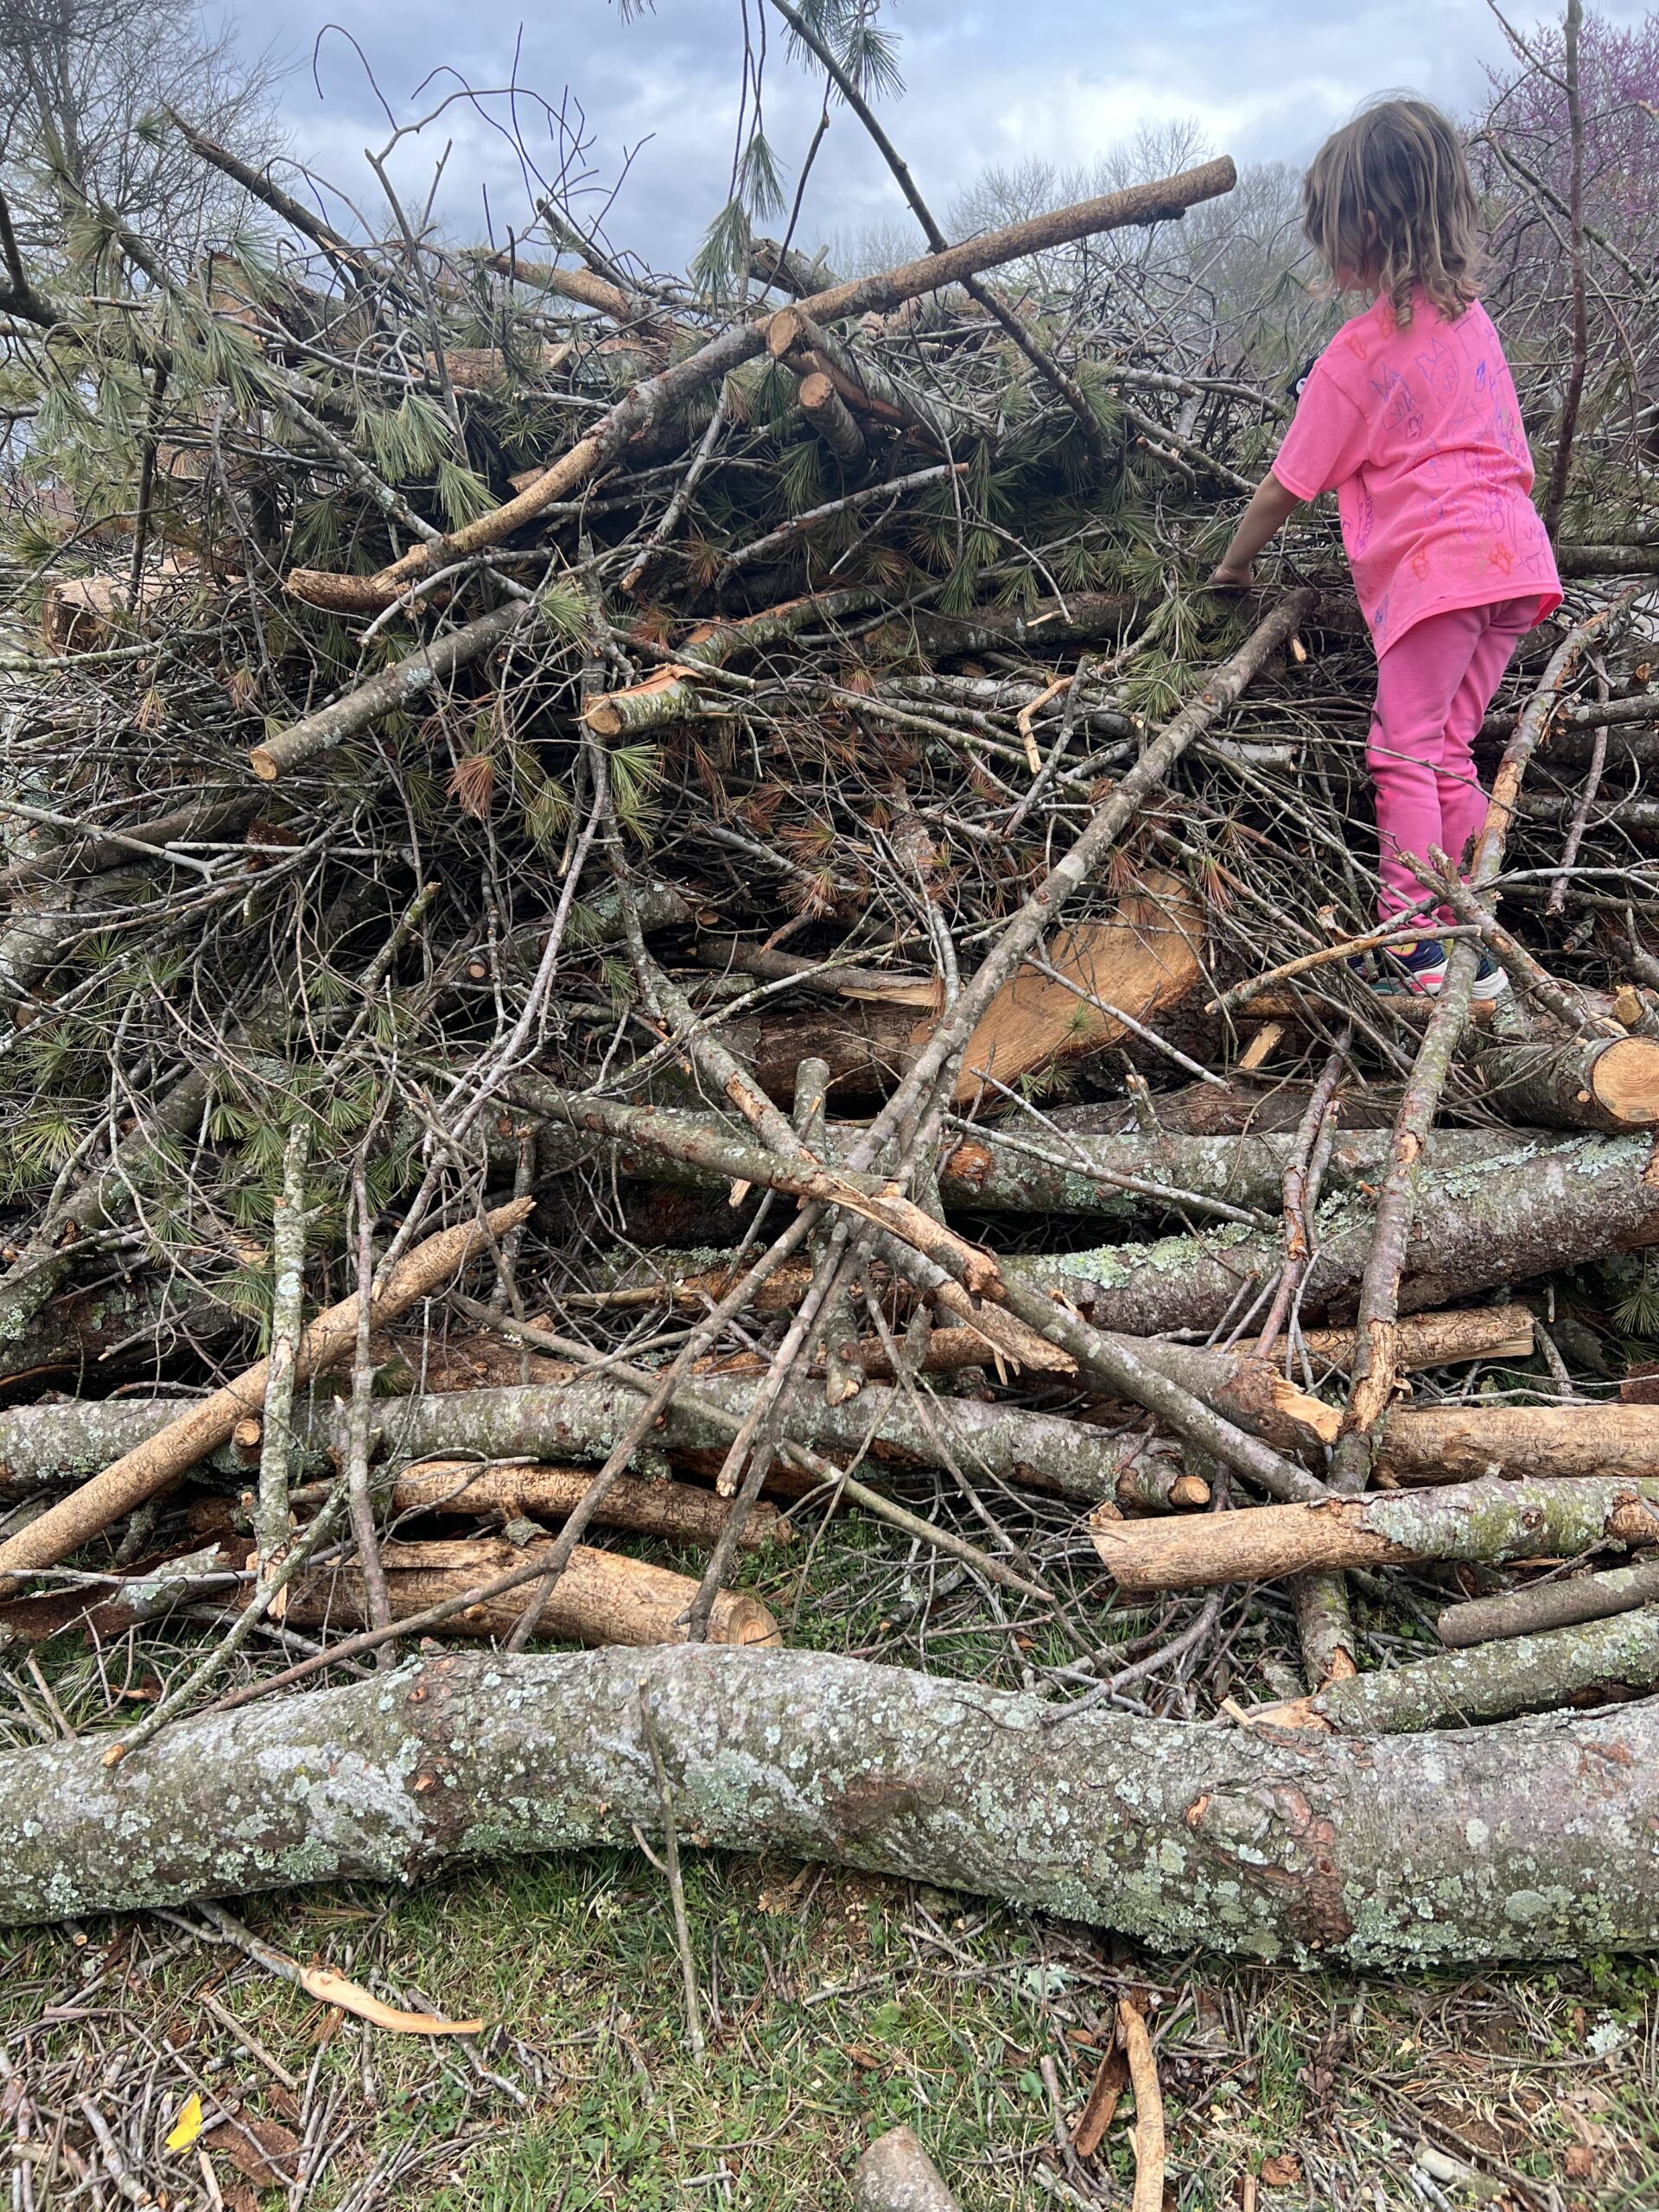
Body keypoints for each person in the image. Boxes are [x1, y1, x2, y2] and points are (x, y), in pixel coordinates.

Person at [1209, 96, 1561, 996]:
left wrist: (1232, 566)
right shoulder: (1473, 322)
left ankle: (1412, 934)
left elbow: (1286, 486)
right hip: (1514, 563)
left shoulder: (1355, 358)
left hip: (1438, 574)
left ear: (1363, 224)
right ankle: (1474, 934)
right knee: (1448, 745)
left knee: (1402, 751)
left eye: (1330, 229)